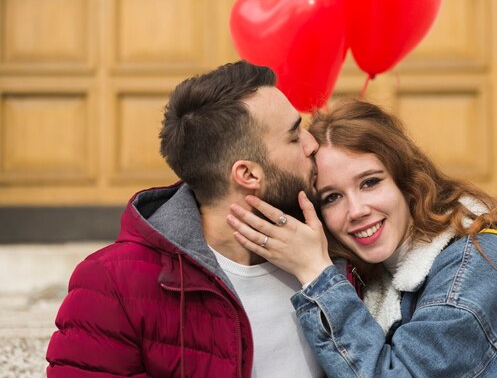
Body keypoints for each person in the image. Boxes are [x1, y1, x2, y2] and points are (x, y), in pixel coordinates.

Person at [227, 99, 497, 378]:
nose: (356, 210)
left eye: (370, 182)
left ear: (405, 182)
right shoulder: (381, 274)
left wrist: (316, 275)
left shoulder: (475, 267)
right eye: (332, 197)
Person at [46, 61, 325, 378]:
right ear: (247, 174)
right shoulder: (112, 286)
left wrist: (323, 274)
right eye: (293, 136)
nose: (312, 143)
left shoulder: (339, 252)